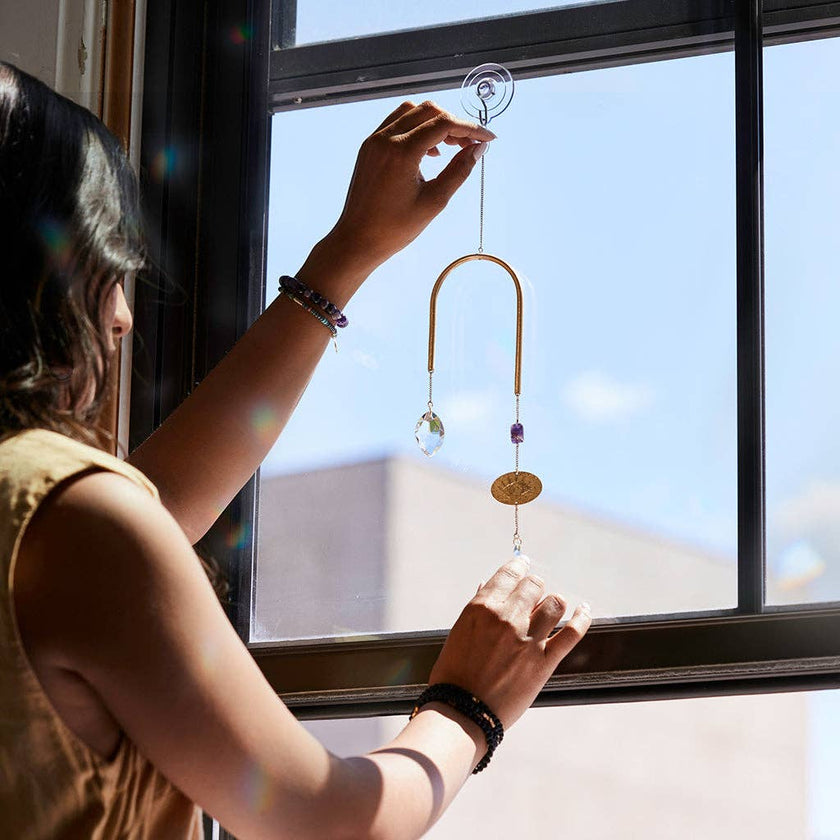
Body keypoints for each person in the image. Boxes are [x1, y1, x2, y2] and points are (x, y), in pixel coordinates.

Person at [0, 60, 592, 839]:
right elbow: (331, 822)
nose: (123, 320)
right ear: (35, 278)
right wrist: (468, 704)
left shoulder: (45, 515)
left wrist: (347, 253)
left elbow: (159, 502)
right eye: (108, 271)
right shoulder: (66, 517)